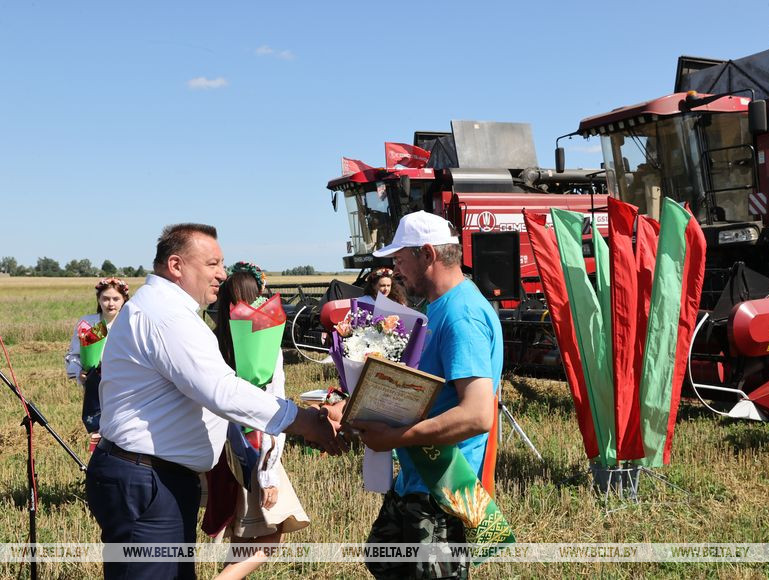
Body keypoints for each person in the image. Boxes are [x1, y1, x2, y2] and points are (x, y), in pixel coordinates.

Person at [85, 223, 346, 580]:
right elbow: (221, 391)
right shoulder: (166, 315)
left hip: (154, 477)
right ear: (176, 266)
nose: (222, 274)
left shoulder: (166, 309)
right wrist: (304, 422)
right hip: (146, 480)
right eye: (212, 264)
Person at [351, 211, 503, 580]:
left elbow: (477, 415)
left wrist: (393, 438)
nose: (397, 270)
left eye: (401, 260)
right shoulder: (437, 309)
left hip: (445, 487)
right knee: (384, 560)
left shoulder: (462, 315)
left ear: (428, 254)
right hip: (419, 478)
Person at [205, 261, 309, 579]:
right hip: (255, 446)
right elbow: (273, 406)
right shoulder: (264, 345)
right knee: (272, 534)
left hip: (221, 446)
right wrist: (269, 470)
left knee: (242, 535)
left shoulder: (212, 340)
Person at [65, 277, 130, 449]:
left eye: (116, 299)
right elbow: (74, 354)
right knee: (98, 429)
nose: (110, 303)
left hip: (124, 384)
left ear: (124, 299)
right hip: (95, 383)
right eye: (105, 299)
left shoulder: (130, 323)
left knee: (122, 430)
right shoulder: (89, 322)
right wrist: (79, 371)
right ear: (98, 300)